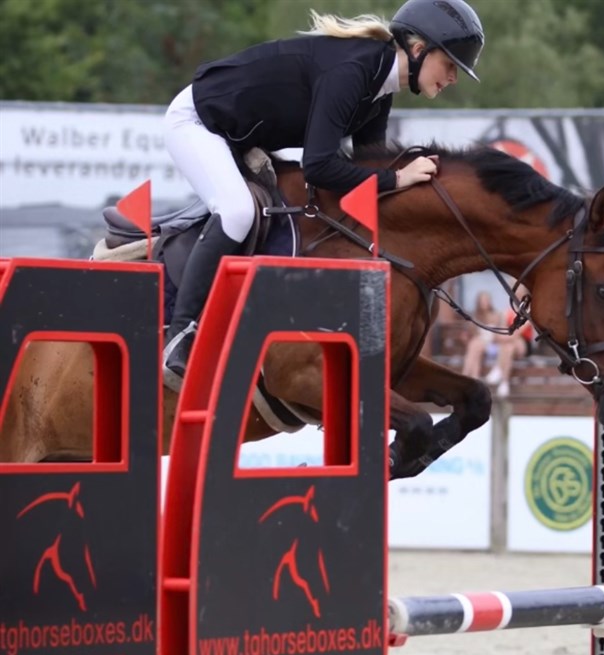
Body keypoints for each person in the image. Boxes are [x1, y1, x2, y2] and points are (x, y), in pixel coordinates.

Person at [161, 0, 485, 392]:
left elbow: (366, 170)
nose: (453, 77)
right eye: (450, 64)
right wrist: (399, 178)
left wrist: (409, 183)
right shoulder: (353, 72)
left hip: (242, 135)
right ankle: (181, 333)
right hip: (199, 122)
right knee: (237, 212)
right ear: (419, 50)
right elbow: (320, 167)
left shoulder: (379, 89)